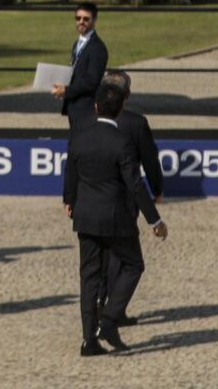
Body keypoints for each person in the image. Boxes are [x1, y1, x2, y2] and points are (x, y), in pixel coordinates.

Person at [64, 83, 167, 355]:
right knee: (133, 264)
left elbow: (71, 172)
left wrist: (69, 200)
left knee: (88, 277)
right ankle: (109, 320)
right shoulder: (122, 142)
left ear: (96, 106)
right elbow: (135, 185)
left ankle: (88, 340)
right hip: (116, 218)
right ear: (121, 107)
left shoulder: (79, 136)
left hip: (85, 216)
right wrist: (154, 221)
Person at [99, 69, 163, 326]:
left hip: (93, 196)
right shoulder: (136, 123)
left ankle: (101, 304)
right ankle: (112, 309)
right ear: (127, 95)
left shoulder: (89, 118)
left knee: (100, 254)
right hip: (124, 199)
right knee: (120, 256)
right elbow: (150, 160)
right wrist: (157, 189)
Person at [52, 3, 109, 132]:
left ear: (94, 20)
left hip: (87, 108)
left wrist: (67, 90)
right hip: (74, 107)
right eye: (78, 18)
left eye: (86, 19)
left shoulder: (97, 48)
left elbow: (92, 81)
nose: (81, 22)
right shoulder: (77, 44)